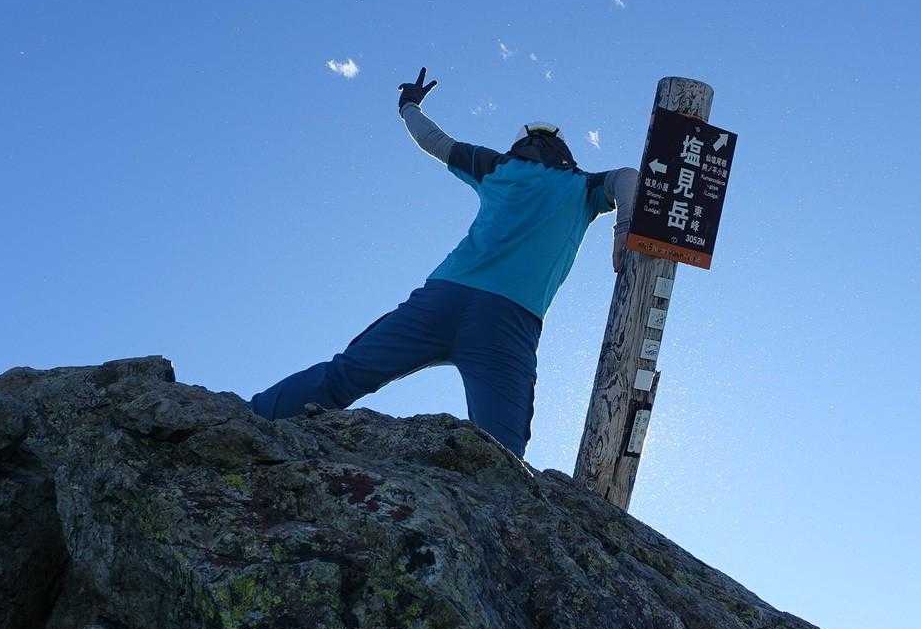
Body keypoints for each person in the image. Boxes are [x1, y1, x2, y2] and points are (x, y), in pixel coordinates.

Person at [249, 67, 638, 458]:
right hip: (507, 324)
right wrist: (625, 227)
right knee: (501, 452)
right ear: (565, 152)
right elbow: (627, 177)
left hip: (442, 299)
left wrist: (408, 106)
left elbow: (434, 141)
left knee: (344, 375)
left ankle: (248, 418)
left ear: (520, 144)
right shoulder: (582, 187)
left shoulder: (497, 166)